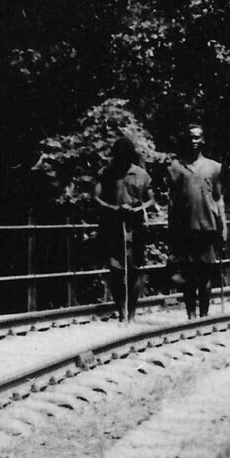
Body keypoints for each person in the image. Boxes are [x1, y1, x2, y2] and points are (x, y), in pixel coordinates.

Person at [167, 124, 227, 319]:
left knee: (205, 274)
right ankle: (191, 316)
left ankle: (203, 315)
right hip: (185, 230)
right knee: (187, 276)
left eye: (197, 138)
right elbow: (172, 203)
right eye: (190, 137)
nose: (193, 141)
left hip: (207, 228)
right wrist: (172, 232)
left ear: (203, 140)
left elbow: (218, 198)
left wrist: (223, 227)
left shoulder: (214, 167)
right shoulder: (176, 168)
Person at [93, 136, 153, 322]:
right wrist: (113, 209)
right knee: (116, 270)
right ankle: (122, 312)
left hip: (136, 229)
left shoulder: (141, 175)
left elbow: (151, 200)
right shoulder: (105, 173)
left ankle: (132, 313)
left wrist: (136, 209)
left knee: (135, 269)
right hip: (112, 228)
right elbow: (96, 197)